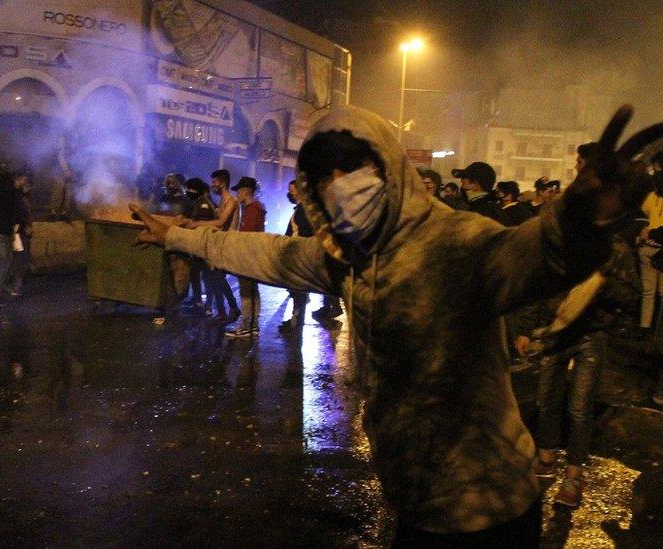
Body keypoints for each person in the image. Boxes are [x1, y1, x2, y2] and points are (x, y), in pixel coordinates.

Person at [130, 104, 659, 545]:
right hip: (415, 504)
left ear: (390, 168)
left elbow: (539, 255)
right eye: (326, 176)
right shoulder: (350, 257)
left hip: (490, 511)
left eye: (354, 168)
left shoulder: (459, 242)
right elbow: (269, 252)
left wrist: (585, 216)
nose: (341, 187)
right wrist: (180, 236)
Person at [533, 225, 640, 507]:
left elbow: (631, 296)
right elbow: (539, 282)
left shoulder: (616, 250)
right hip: (555, 332)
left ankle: (574, 474)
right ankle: (547, 457)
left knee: (579, 407)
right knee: (546, 400)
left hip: (592, 335)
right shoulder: (562, 241)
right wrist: (527, 326)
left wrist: (604, 283)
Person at [185, 169, 240, 323]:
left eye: (214, 182)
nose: (212, 185)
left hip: (228, 244)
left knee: (217, 278)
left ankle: (233, 309)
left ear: (222, 183)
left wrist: (196, 224)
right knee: (214, 278)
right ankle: (223, 313)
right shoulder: (222, 202)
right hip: (219, 244)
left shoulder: (232, 202)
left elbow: (221, 222)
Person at [227, 176, 265, 338]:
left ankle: (245, 325)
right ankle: (253, 326)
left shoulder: (253, 209)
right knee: (252, 290)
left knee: (246, 292)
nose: (237, 195)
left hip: (248, 254)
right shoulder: (253, 208)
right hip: (253, 254)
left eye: (239, 192)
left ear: (245, 191)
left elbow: (247, 235)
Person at [0, 172, 28, 305]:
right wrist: (19, 226)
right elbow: (18, 211)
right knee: (5, 262)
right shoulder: (11, 194)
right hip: (4, 231)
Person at [280, 179, 315, 332]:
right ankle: (296, 320)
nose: (290, 194)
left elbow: (303, 234)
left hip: (298, 255)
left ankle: (296, 323)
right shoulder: (300, 209)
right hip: (296, 254)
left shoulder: (303, 211)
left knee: (298, 291)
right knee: (297, 291)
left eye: (292, 191)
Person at [181, 177, 217, 314]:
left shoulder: (204, 205)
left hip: (203, 247)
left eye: (189, 189)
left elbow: (202, 227)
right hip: (199, 247)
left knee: (206, 277)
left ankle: (207, 305)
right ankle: (197, 301)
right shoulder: (198, 203)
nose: (187, 192)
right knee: (195, 274)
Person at [637, 150, 663, 331]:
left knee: (652, 293)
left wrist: (648, 232)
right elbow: (640, 217)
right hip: (650, 248)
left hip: (653, 246)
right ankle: (648, 328)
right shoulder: (651, 197)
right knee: (652, 292)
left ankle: (650, 329)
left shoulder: (652, 195)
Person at [9, 171, 34, 297]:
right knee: (20, 259)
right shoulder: (16, 197)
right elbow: (19, 215)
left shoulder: (23, 197)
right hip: (19, 232)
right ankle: (15, 287)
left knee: (21, 259)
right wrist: (25, 227)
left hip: (22, 232)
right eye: (23, 180)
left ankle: (15, 285)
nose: (26, 183)